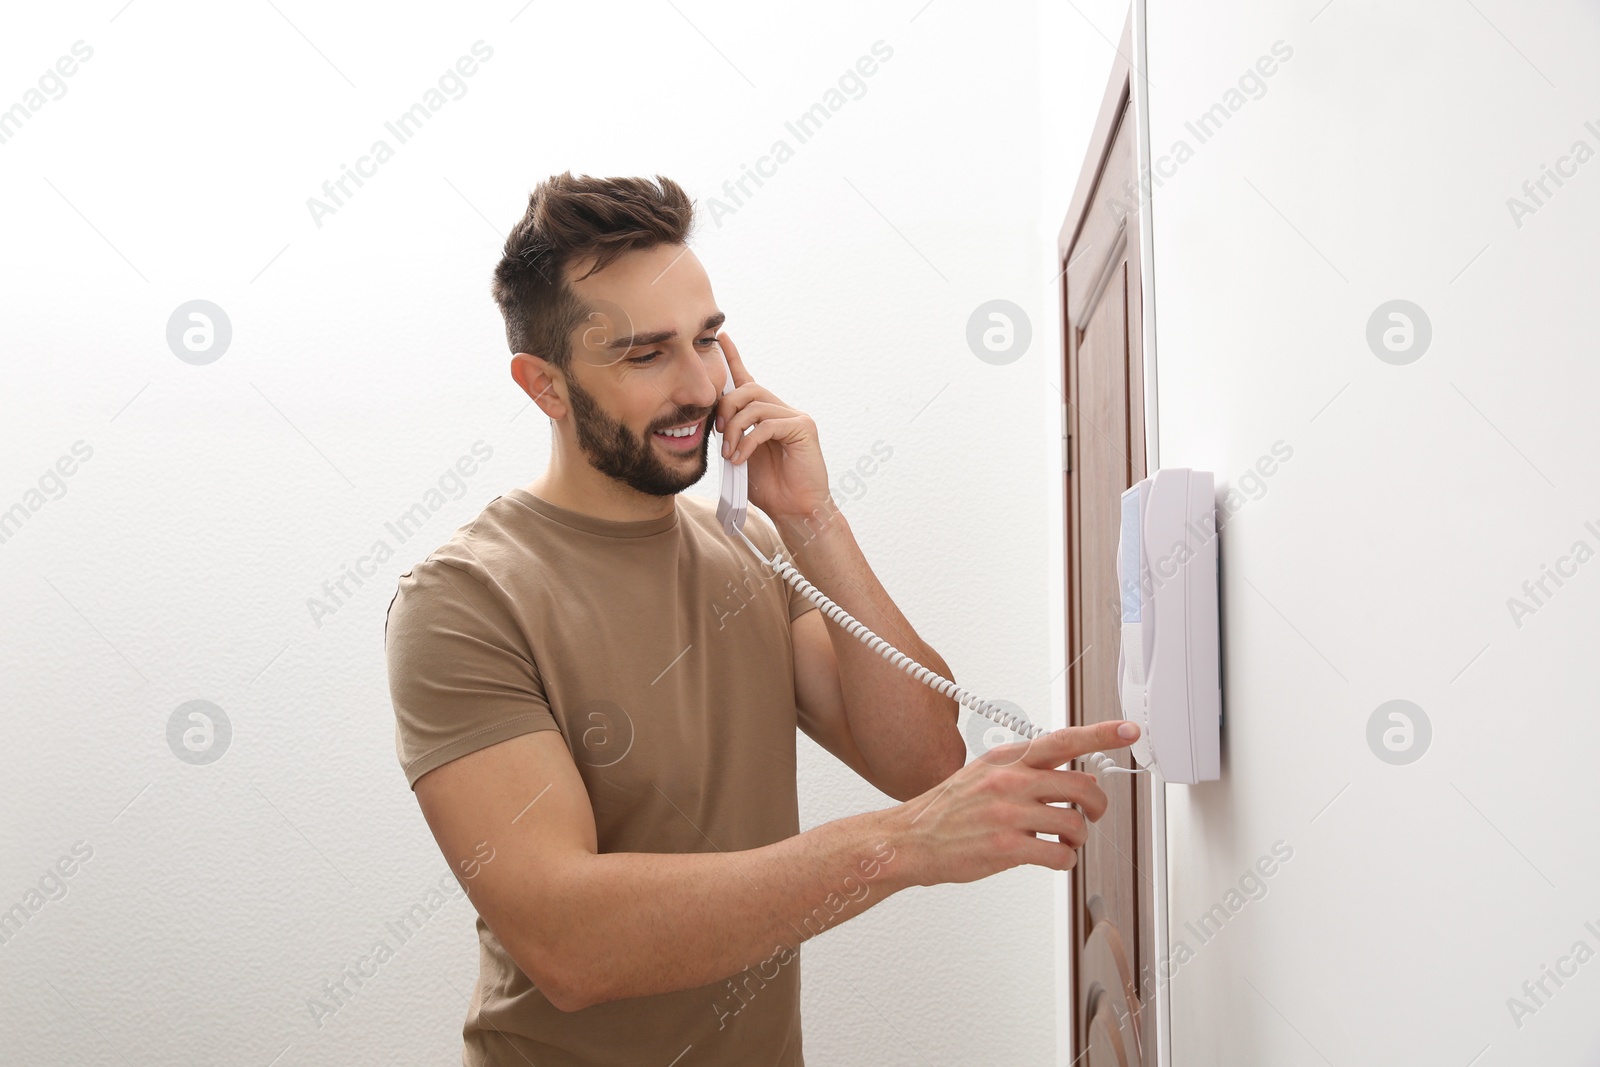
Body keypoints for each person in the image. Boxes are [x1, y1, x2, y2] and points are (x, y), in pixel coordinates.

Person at [382, 171, 1140, 1066]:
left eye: (707, 340)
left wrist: (814, 521)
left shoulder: (750, 555)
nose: (701, 386)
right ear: (544, 386)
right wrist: (906, 845)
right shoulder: (462, 601)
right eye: (646, 354)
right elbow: (569, 944)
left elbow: (922, 760)